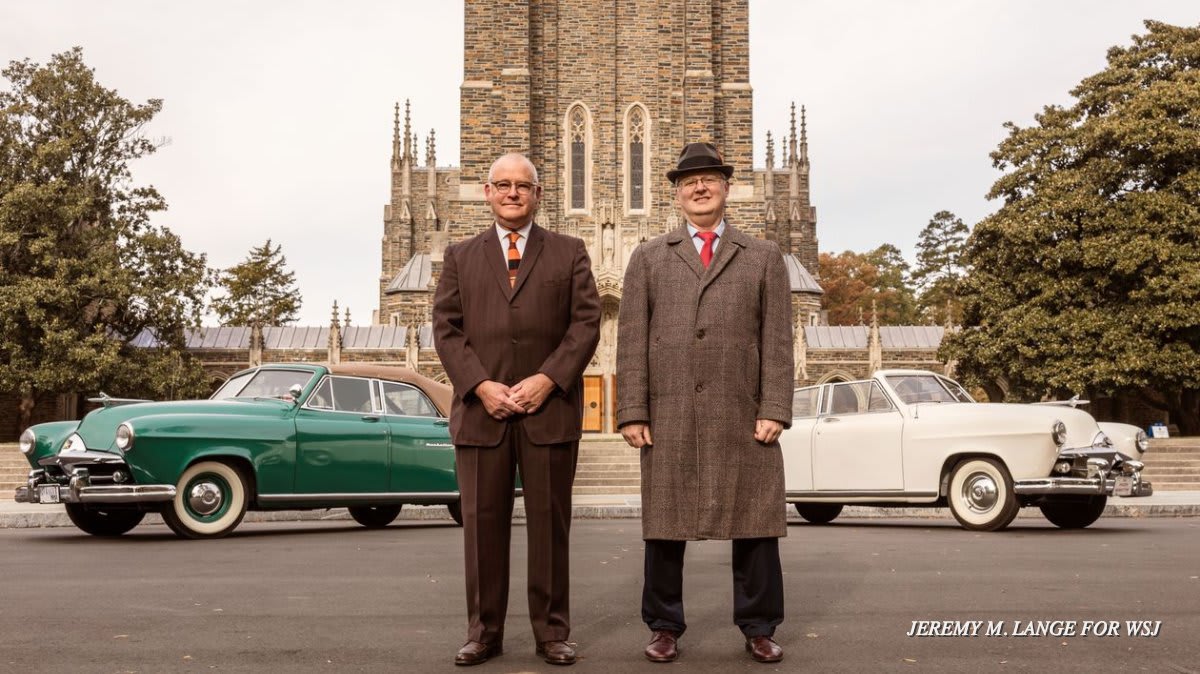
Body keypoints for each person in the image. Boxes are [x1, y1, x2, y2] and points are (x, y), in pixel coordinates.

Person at [616, 142, 795, 664]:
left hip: (742, 412)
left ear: (725, 188)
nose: (700, 186)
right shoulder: (648, 257)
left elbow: (778, 342)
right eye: (690, 180)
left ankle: (759, 626)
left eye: (710, 178)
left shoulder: (763, 256)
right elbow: (630, 340)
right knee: (666, 528)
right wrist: (632, 410)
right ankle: (664, 626)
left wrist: (775, 407)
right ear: (676, 193)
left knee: (757, 526)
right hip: (670, 413)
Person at [433, 152, 601, 667]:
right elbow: (447, 329)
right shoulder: (461, 256)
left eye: (521, 186)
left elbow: (586, 324)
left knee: (550, 527)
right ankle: (484, 632)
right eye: (501, 185)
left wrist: (548, 379)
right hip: (482, 415)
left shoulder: (569, 252)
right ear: (487, 192)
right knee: (483, 527)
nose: (511, 193)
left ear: (537, 194)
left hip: (547, 413)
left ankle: (552, 632)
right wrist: (479, 385)